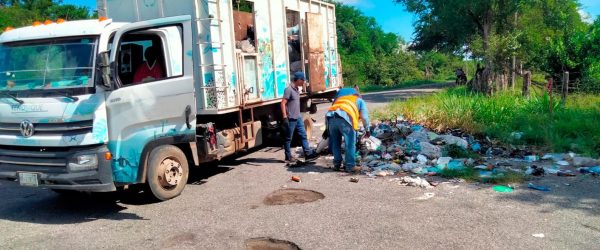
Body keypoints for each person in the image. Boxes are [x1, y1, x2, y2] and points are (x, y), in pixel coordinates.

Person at [326, 87, 370, 172]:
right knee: (350, 143)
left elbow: (332, 111)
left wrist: (326, 128)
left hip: (330, 119)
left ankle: (337, 164)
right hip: (345, 120)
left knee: (336, 143)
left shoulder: (339, 99)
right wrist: (367, 129)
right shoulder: (359, 100)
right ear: (357, 94)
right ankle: (350, 166)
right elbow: (364, 117)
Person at [281, 72, 318, 164]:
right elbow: (283, 103)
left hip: (298, 117)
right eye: (302, 80)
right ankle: (288, 156)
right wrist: (285, 117)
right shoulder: (288, 90)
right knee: (288, 138)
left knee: (303, 135)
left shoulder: (297, 89)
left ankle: (308, 154)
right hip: (291, 118)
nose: (303, 82)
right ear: (298, 80)